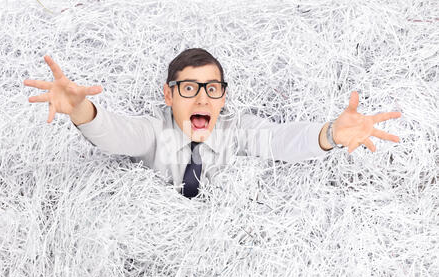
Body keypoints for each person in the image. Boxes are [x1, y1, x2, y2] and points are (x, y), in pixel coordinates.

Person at [24, 48, 401, 199]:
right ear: (169, 95)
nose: (203, 98)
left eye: (212, 88)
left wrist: (329, 134)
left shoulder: (237, 128)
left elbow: (280, 140)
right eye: (189, 88)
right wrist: (79, 110)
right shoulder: (153, 129)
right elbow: (115, 134)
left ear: (223, 96)